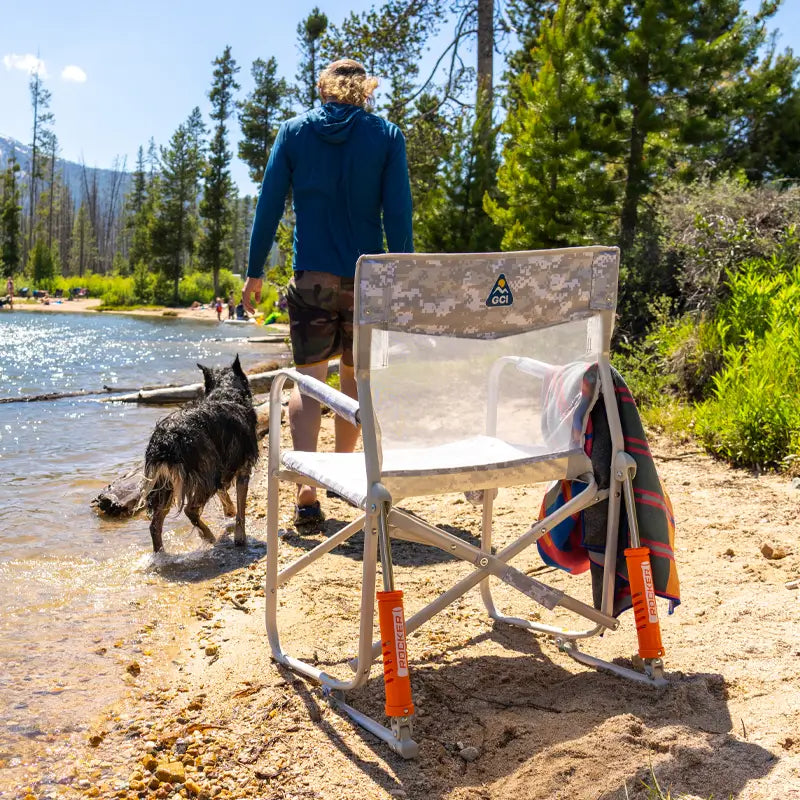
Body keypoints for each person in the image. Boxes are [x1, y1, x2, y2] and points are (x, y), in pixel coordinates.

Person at [242, 58, 413, 525]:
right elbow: (398, 216)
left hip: (312, 280)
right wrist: (402, 276)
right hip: (366, 282)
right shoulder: (386, 136)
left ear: (324, 89)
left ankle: (307, 491)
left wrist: (255, 271)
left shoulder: (294, 133)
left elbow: (269, 204)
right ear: (366, 90)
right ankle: (345, 477)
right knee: (355, 381)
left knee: (311, 382)